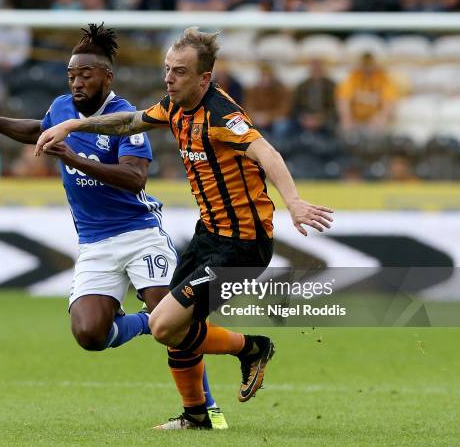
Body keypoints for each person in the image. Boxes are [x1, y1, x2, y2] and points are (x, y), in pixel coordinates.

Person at [35, 27, 334, 430]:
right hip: (208, 235)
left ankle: (251, 350)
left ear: (203, 79)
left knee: (163, 325)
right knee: (176, 327)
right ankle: (198, 414)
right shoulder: (174, 106)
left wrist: (293, 202)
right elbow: (129, 122)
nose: (168, 79)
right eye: (166, 70)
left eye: (178, 72)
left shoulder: (223, 116)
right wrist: (71, 127)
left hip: (243, 246)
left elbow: (267, 151)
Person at [0, 23, 228, 429]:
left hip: (140, 235)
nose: (77, 82)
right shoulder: (61, 107)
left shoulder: (124, 116)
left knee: (175, 324)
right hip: (95, 243)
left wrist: (74, 159)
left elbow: (135, 178)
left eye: (86, 75)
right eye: (71, 76)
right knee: (89, 334)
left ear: (107, 76)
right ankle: (145, 324)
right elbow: (37, 131)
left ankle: (206, 408)